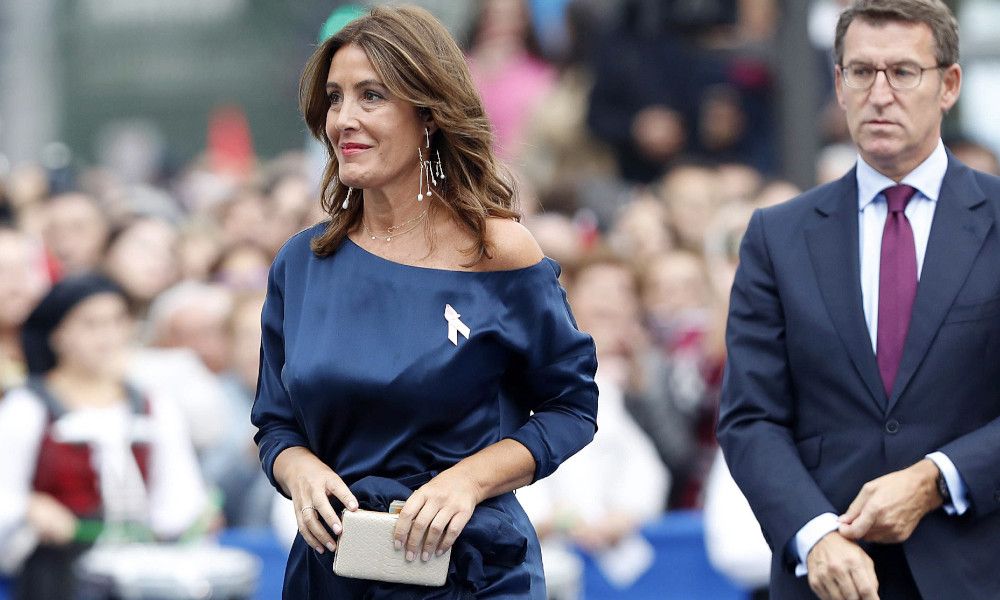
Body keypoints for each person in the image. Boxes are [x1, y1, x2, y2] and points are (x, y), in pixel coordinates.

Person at [250, 6, 598, 598]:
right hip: (334, 573)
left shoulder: (497, 250)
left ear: (428, 113)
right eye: (334, 98)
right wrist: (300, 471)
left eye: (372, 96)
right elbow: (276, 423)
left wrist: (466, 483)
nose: (344, 120)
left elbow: (571, 408)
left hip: (473, 572)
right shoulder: (301, 263)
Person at [718, 1, 1000, 598]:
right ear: (838, 84)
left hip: (977, 568)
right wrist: (813, 533)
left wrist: (936, 479)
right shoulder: (778, 236)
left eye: (903, 72)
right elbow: (751, 416)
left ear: (949, 84)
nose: (880, 93)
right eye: (861, 72)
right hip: (829, 575)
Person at [0, 273, 209, 599]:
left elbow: (178, 498)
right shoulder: (27, 406)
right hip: (55, 575)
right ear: (57, 334)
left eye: (116, 322)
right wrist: (30, 507)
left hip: (137, 573)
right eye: (90, 324)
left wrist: (186, 523)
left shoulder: (152, 405)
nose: (107, 336)